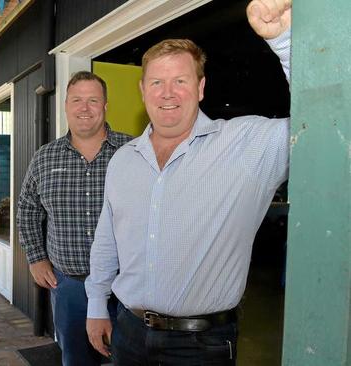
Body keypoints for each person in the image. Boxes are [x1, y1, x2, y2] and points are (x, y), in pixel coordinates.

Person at [85, 0, 292, 364]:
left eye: (180, 81)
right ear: (142, 90)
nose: (167, 93)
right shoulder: (122, 161)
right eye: (157, 82)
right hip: (128, 333)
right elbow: (107, 240)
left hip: (202, 346)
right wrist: (96, 304)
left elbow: (328, 117)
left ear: (200, 87)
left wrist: (285, 42)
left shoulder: (245, 146)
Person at [17, 71, 132, 366]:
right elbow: (27, 208)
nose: (85, 108)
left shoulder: (133, 152)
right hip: (69, 286)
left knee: (128, 359)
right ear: (66, 106)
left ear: (105, 106)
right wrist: (35, 257)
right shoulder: (45, 157)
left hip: (126, 287)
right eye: (77, 100)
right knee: (76, 360)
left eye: (93, 100)